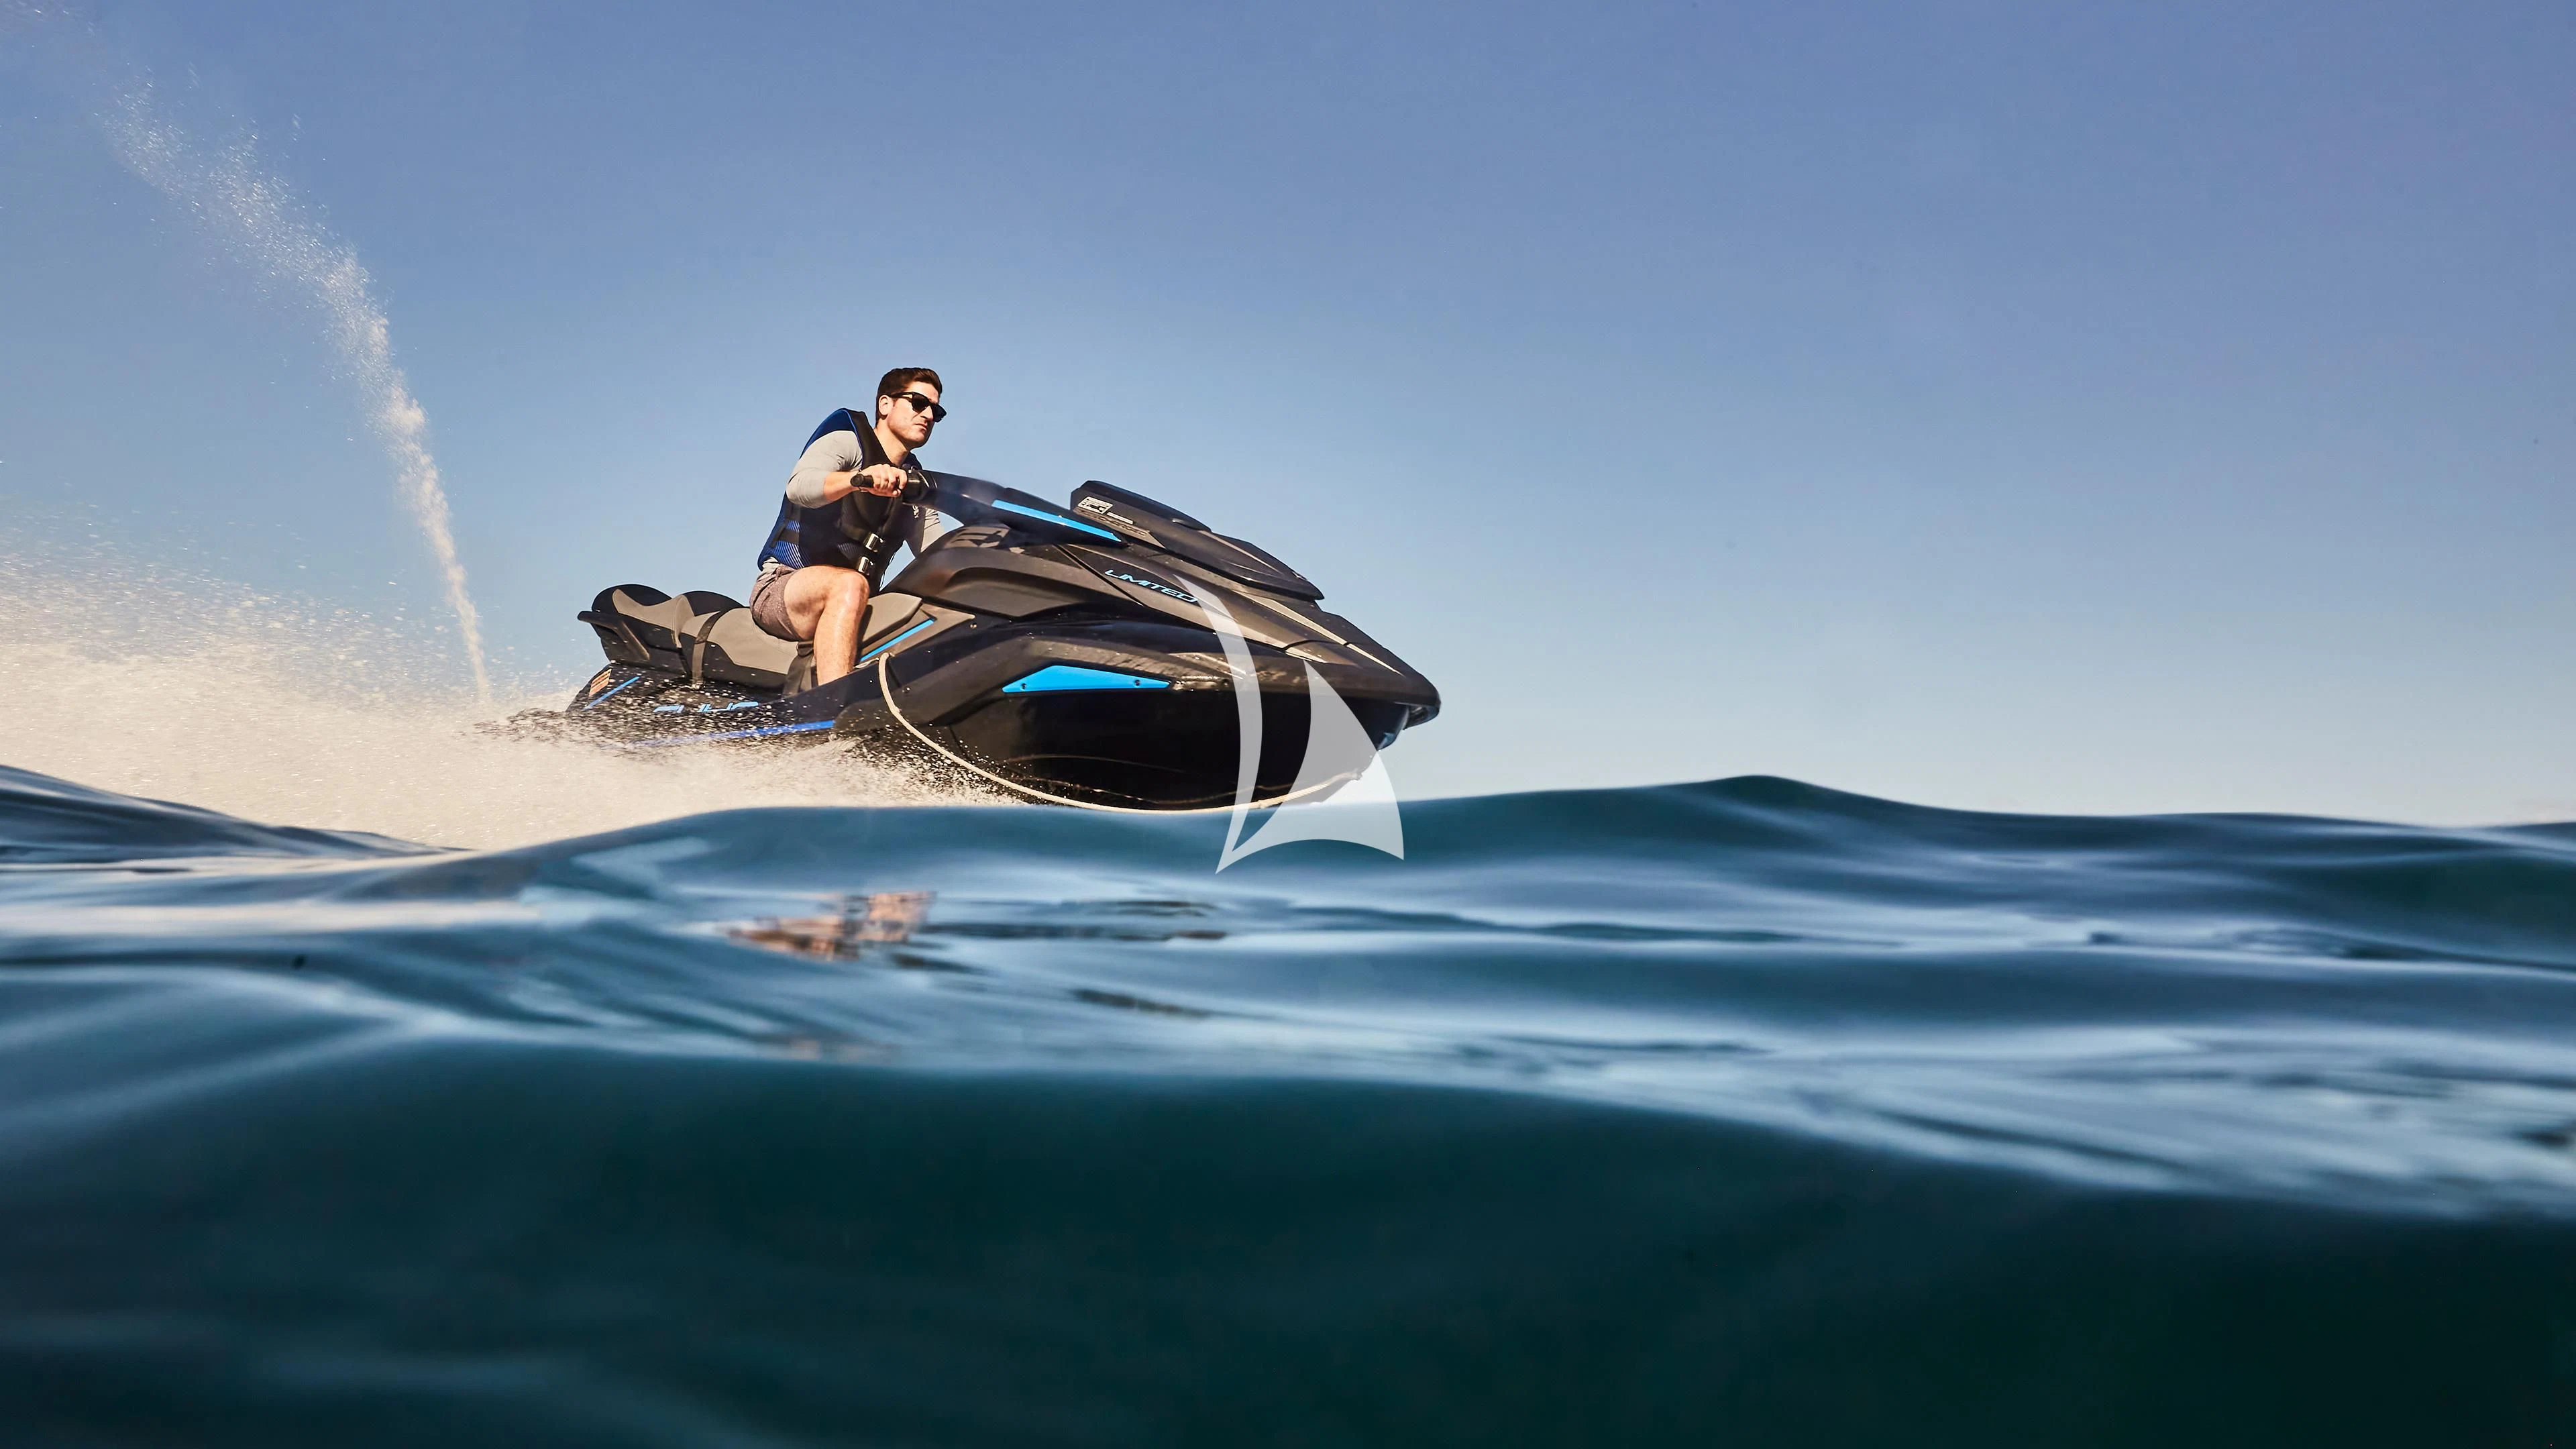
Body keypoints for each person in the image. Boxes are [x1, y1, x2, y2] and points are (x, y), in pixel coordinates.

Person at [748, 368, 952, 684]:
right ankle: (835, 719)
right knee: (851, 584)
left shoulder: (913, 484)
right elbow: (800, 486)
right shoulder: (848, 442)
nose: (928, 414)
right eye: (918, 403)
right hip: (783, 587)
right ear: (885, 405)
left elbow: (941, 553)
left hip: (860, 602)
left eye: (936, 411)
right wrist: (860, 481)